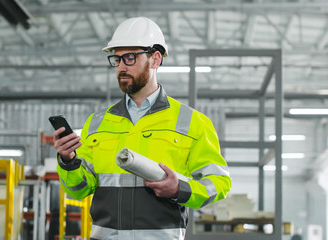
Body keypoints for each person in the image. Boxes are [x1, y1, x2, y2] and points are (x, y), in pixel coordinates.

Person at [53, 16, 231, 239]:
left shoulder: (193, 122)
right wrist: (68, 161)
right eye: (116, 60)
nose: (121, 67)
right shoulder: (97, 122)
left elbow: (219, 183)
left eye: (129, 58)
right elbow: (79, 190)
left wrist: (179, 189)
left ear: (155, 59)